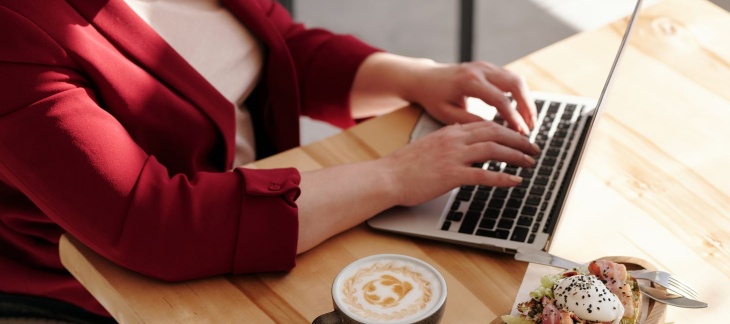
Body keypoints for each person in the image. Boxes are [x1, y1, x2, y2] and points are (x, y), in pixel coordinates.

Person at [0, 0, 539, 321]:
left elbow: (275, 47)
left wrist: (417, 77)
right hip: (112, 289)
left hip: (269, 218)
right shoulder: (15, 31)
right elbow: (156, 224)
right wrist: (395, 175)